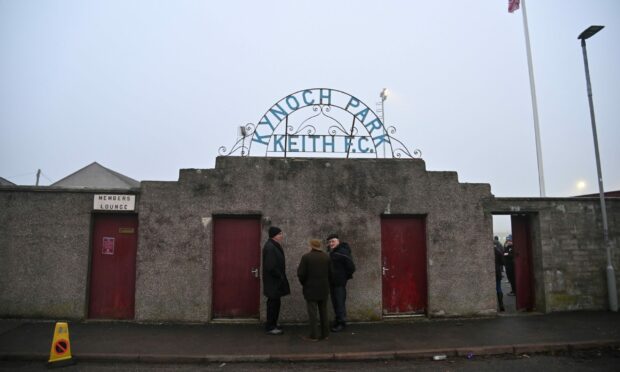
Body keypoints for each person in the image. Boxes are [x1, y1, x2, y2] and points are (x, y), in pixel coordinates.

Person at [297, 239, 332, 341]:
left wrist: (304, 283)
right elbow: (331, 273)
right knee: (324, 311)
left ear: (311, 246)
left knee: (312, 313)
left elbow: (301, 274)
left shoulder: (306, 257)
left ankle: (314, 335)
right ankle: (325, 334)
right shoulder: (326, 257)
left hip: (310, 289)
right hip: (324, 288)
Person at [262, 226, 290, 335]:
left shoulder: (273, 246)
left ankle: (273, 323)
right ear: (274, 235)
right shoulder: (270, 247)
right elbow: (270, 266)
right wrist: (280, 276)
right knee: (273, 304)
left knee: (275, 303)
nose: (281, 236)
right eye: (279, 234)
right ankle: (270, 327)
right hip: (273, 282)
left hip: (275, 282)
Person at [326, 233, 355, 332]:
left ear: (338, 241)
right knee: (336, 302)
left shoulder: (342, 252)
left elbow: (351, 267)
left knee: (339, 302)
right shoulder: (334, 252)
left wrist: (343, 277)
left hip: (339, 282)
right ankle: (338, 320)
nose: (331, 243)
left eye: (333, 241)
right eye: (329, 242)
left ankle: (341, 323)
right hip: (333, 282)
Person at [494, 236, 505, 312]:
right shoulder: (498, 248)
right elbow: (502, 260)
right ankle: (501, 304)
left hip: (489, 271)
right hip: (497, 270)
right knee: (498, 287)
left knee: (494, 288)